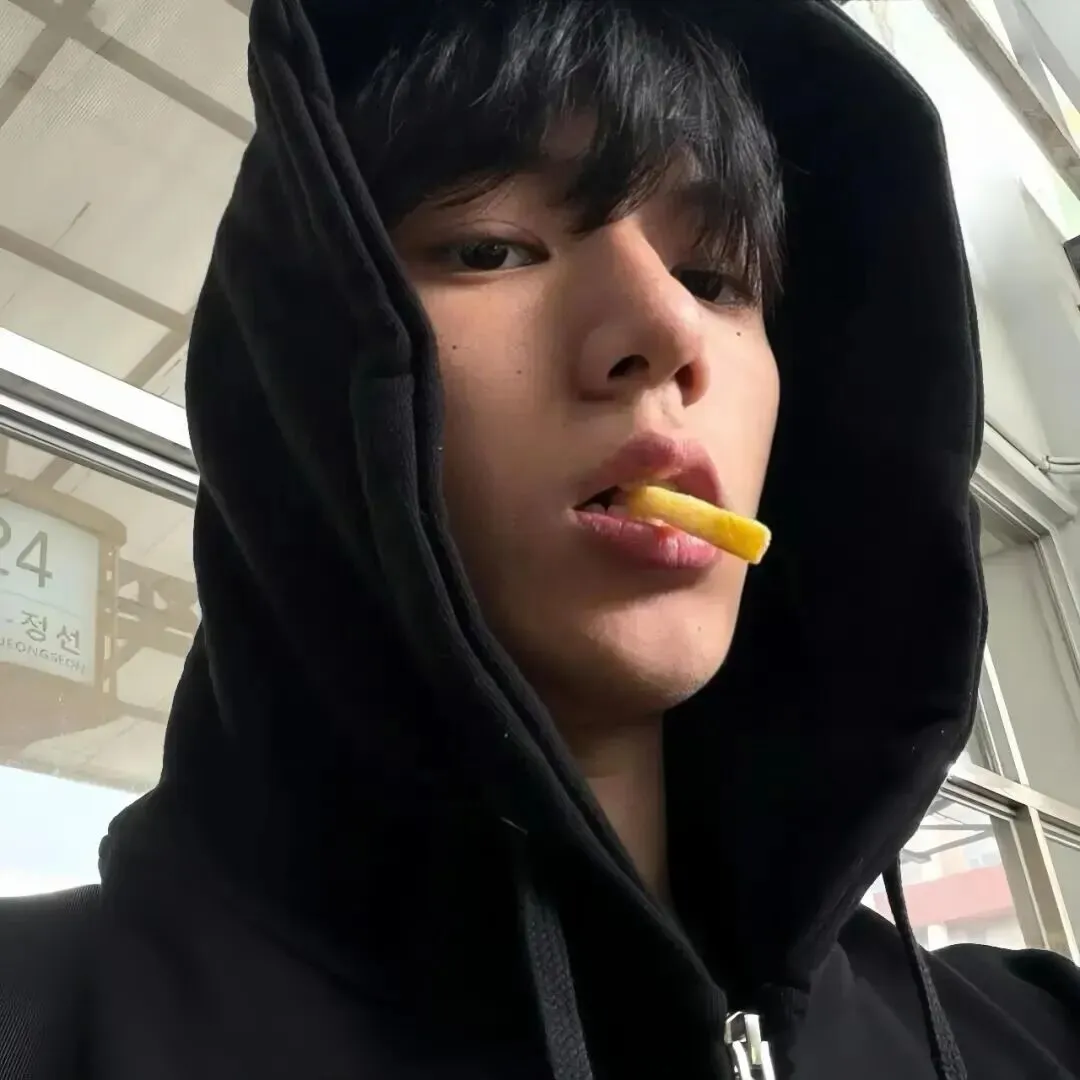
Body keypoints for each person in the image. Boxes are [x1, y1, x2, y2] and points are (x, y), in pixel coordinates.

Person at [2, 0, 1079, 1077]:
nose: (668, 331)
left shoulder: (1035, 1035)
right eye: (491, 247)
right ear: (303, 371)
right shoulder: (40, 1021)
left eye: (714, 279)